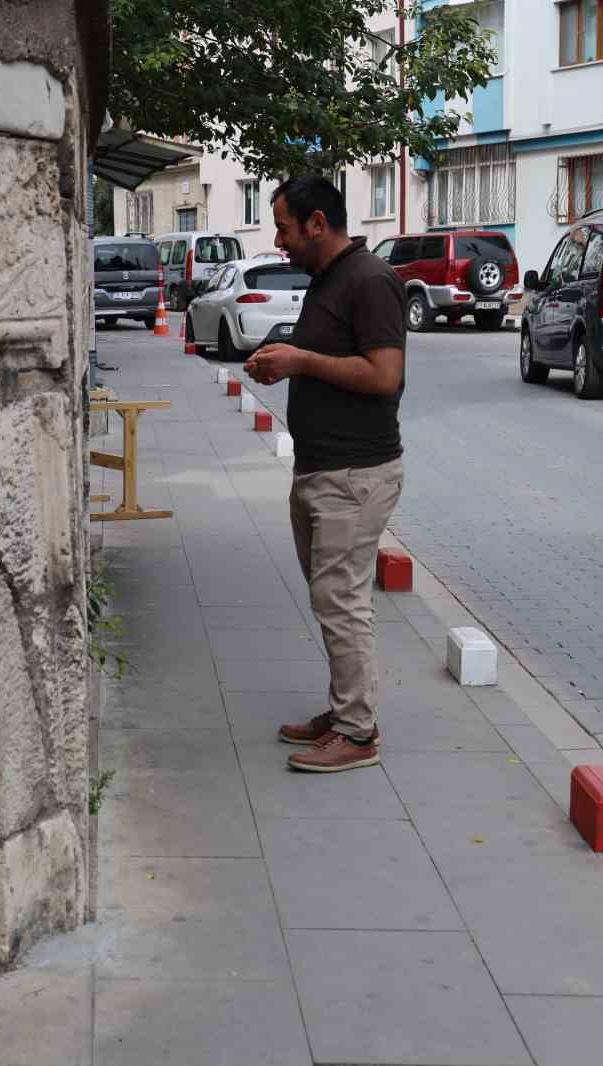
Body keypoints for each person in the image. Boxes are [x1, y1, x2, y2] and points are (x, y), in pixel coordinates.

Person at [244, 175, 406, 774]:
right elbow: (330, 358)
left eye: (284, 227)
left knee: (341, 600)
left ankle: (358, 733)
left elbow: (385, 376)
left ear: (317, 222)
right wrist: (283, 362)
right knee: (330, 598)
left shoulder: (370, 281)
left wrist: (302, 360)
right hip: (322, 470)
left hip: (354, 473)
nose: (278, 239)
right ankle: (343, 712)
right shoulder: (328, 280)